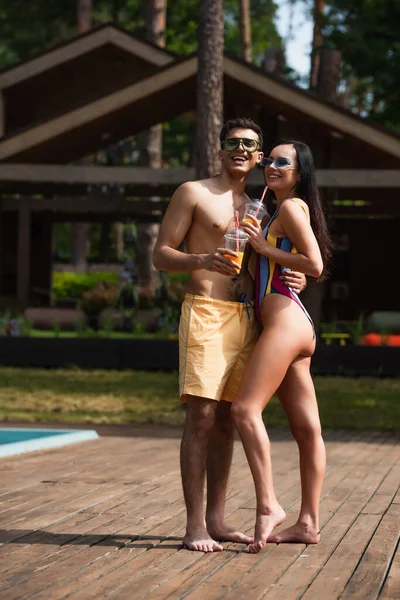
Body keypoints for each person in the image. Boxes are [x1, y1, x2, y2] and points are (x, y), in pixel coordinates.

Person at [152, 118, 307, 553]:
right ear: (221, 151)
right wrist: (202, 257)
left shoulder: (265, 206)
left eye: (250, 145)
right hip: (205, 311)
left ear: (259, 157)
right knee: (201, 417)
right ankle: (194, 525)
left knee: (228, 420)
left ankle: (218, 520)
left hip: (250, 317)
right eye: (233, 143)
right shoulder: (194, 193)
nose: (241, 149)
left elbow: (286, 260)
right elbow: (160, 255)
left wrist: (299, 279)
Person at [231, 138, 333, 553]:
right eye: (269, 161)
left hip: (286, 323)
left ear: (299, 172)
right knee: (307, 430)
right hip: (294, 324)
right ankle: (308, 523)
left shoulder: (290, 208)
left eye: (282, 162)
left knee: (244, 409)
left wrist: (264, 248)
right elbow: (300, 265)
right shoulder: (279, 210)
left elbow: (315, 263)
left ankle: (269, 506)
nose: (271, 166)